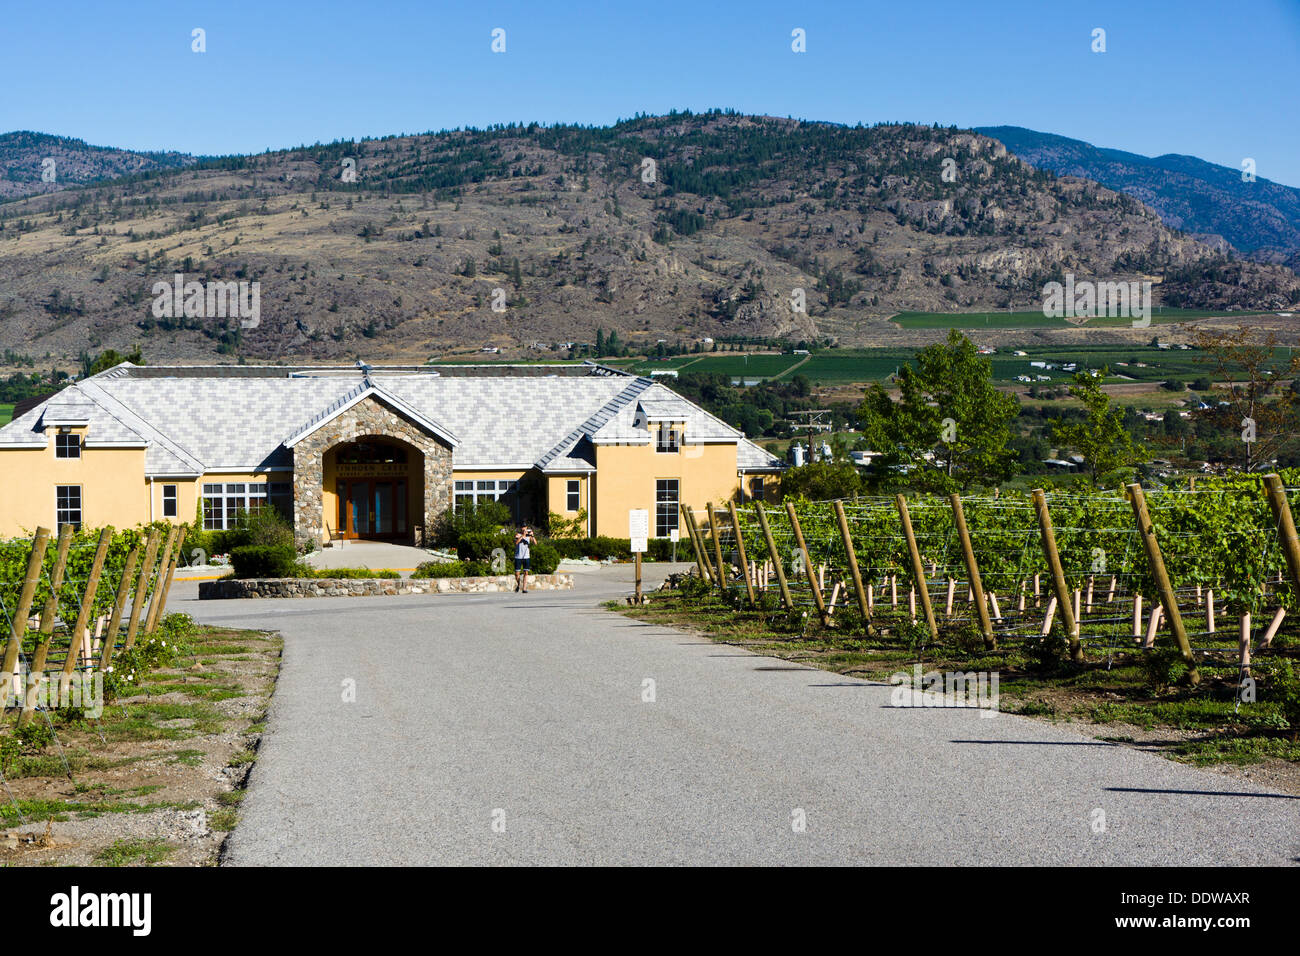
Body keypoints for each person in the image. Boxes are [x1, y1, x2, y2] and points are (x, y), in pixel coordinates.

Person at [513, 524, 536, 593]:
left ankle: (524, 588)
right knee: (517, 574)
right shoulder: (518, 535)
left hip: (526, 556)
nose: (524, 529)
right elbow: (516, 543)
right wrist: (522, 536)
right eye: (522, 528)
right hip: (518, 556)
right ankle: (518, 584)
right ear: (521, 529)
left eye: (525, 528)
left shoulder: (529, 536)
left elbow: (535, 543)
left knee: (526, 572)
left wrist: (532, 535)